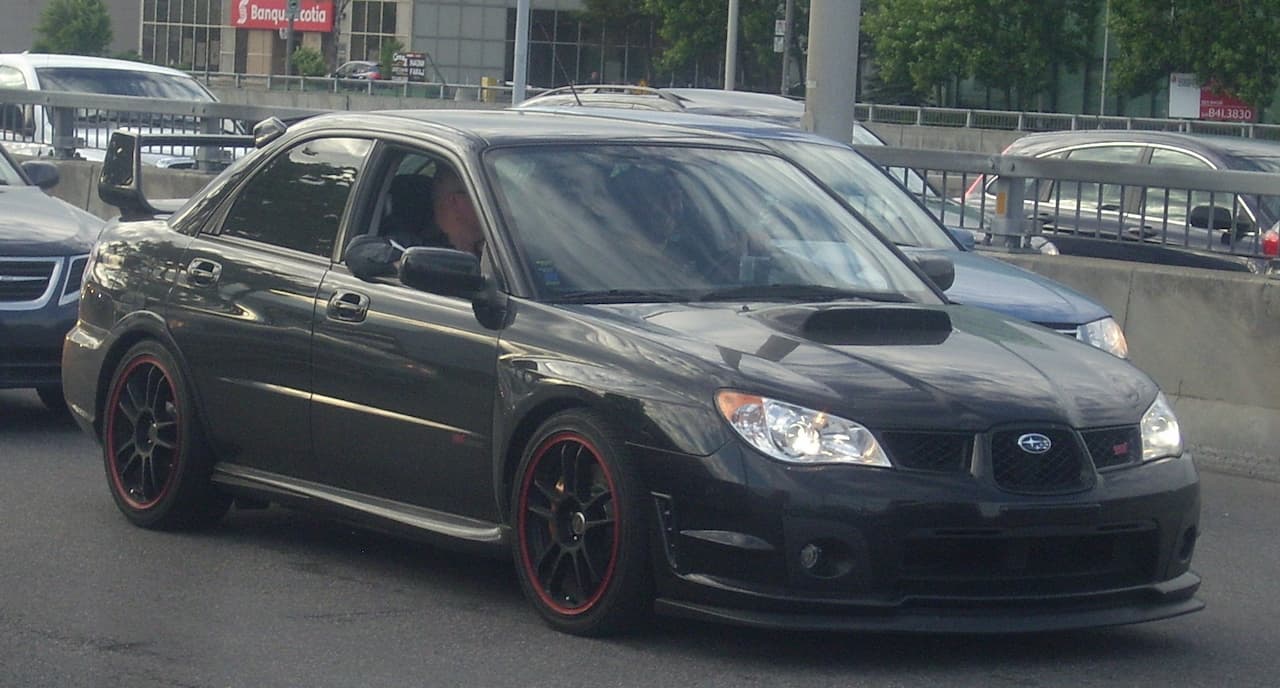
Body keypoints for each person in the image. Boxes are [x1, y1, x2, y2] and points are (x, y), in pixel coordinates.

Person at [431, 166, 485, 257]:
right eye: (479, 194)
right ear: (455, 201)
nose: (486, 201)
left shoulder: (501, 240)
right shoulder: (428, 255)